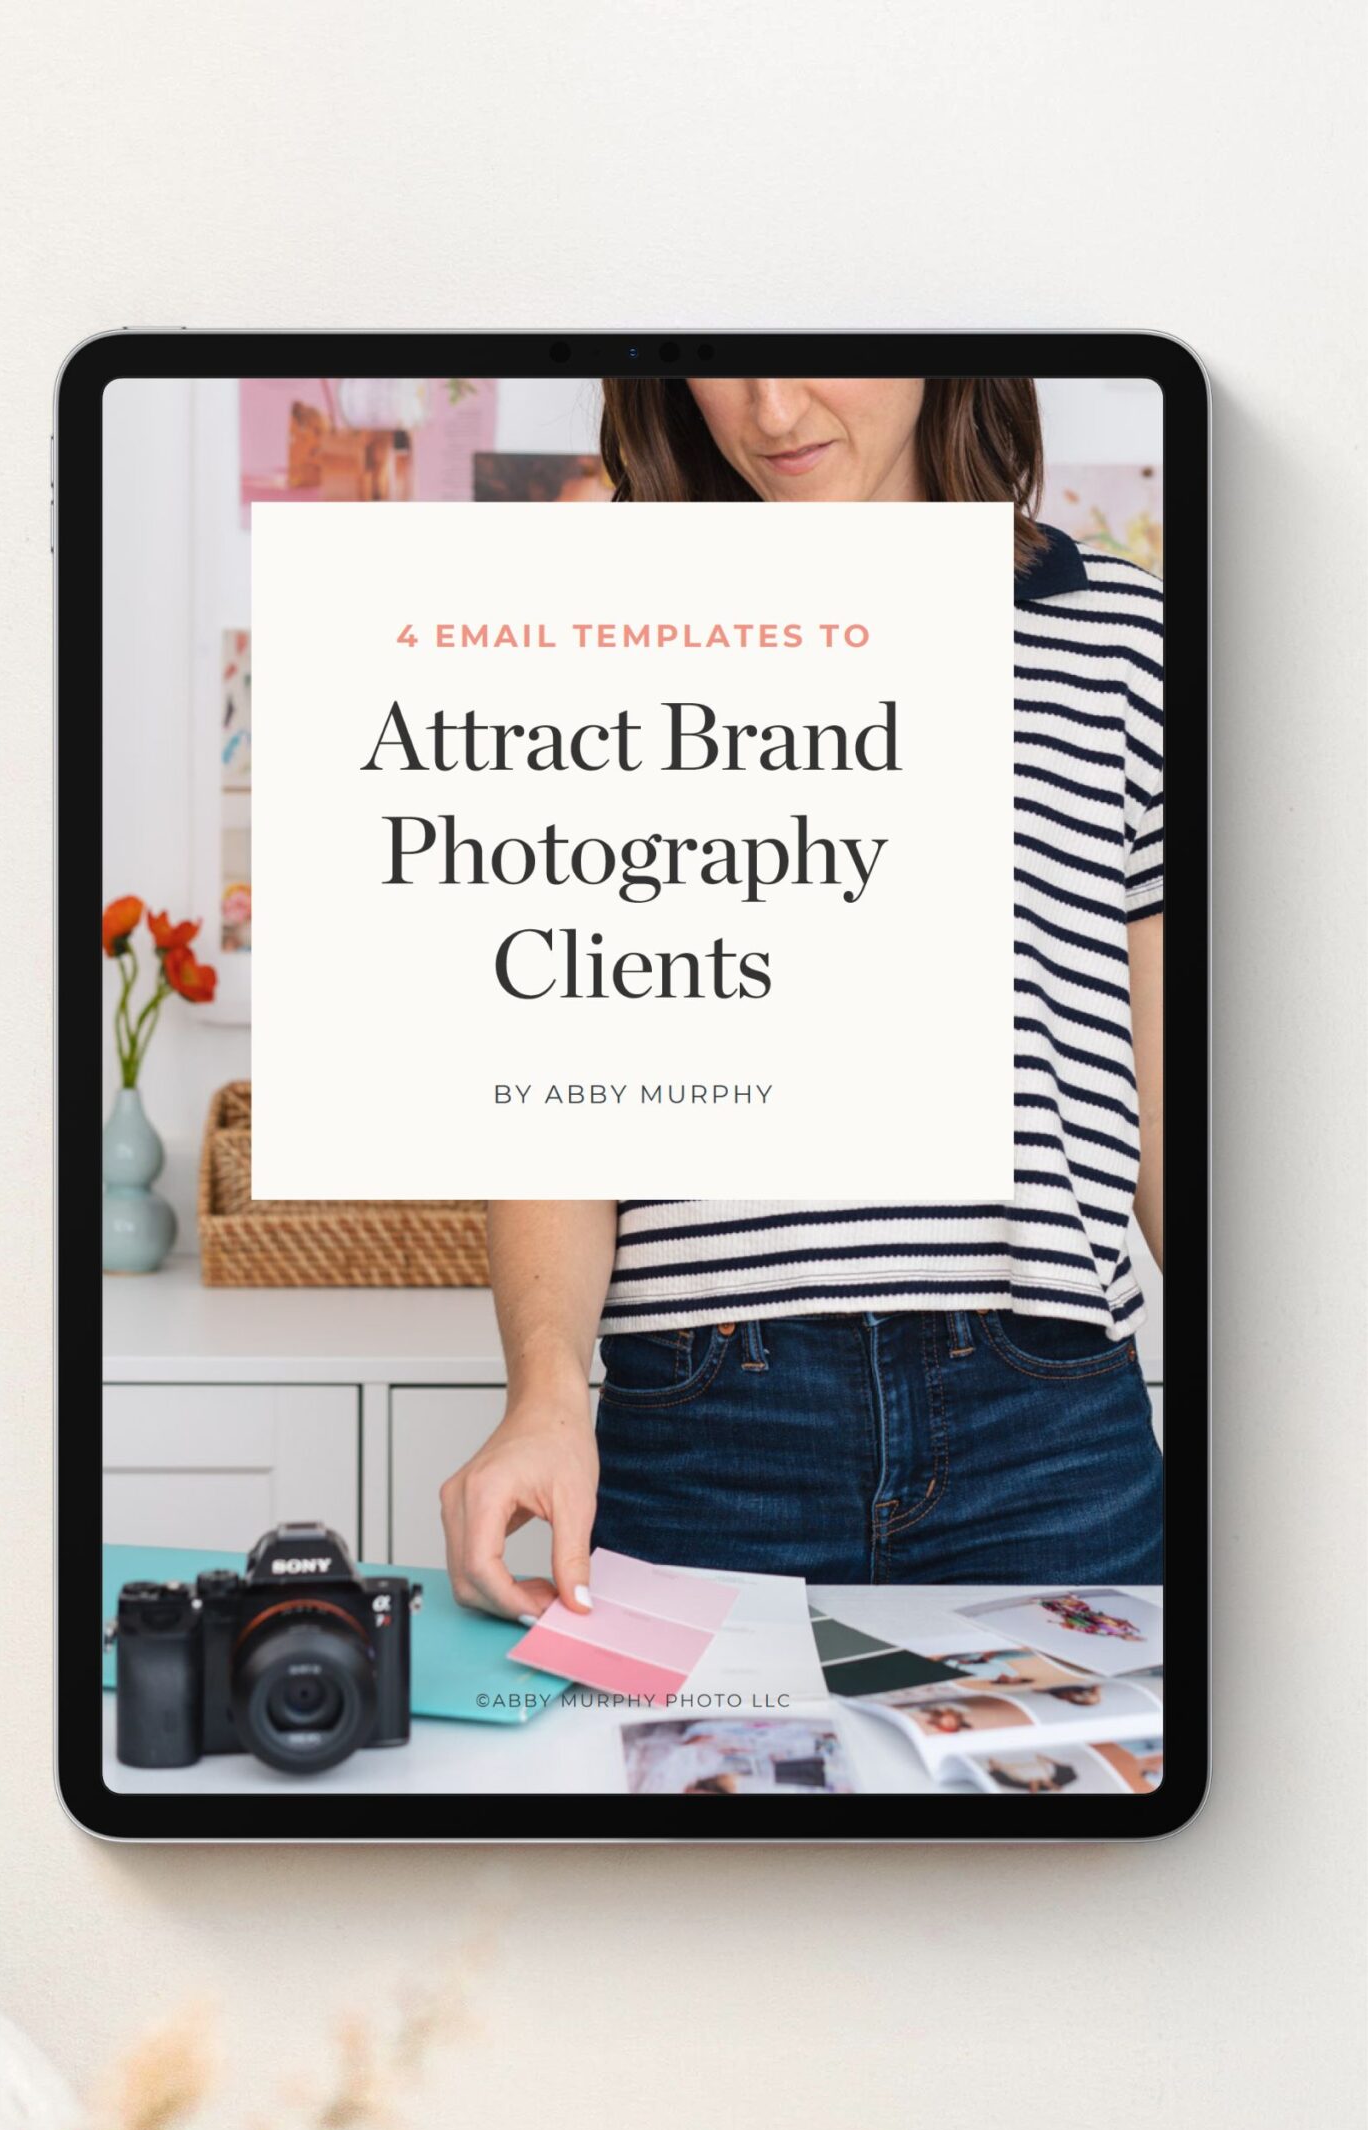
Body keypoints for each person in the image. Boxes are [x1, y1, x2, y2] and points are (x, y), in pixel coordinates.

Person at [442, 377, 1164, 1620]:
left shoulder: (1125, 639)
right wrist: (545, 1397)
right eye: (723, 357)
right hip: (705, 1427)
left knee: (1105, 1816)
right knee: (701, 1816)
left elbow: (1168, 1106)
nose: (772, 409)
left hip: (1048, 1423)